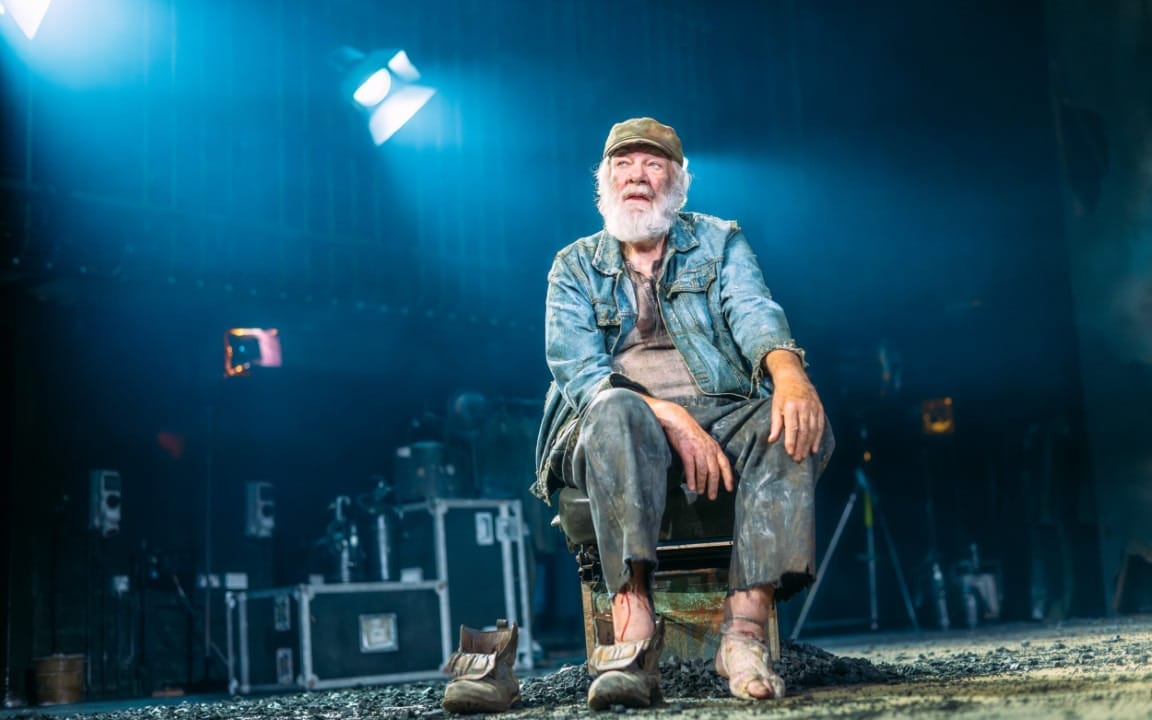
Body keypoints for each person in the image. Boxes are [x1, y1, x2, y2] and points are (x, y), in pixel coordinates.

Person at [533, 117, 834, 709]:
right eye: (623, 165)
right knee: (619, 410)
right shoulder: (572, 266)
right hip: (607, 419)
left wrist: (791, 375)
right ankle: (635, 638)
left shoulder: (720, 240)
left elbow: (752, 309)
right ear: (604, 181)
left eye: (653, 164)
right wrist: (670, 416)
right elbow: (579, 372)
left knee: (789, 423)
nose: (636, 176)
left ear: (678, 181)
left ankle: (743, 633)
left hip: (718, 408)